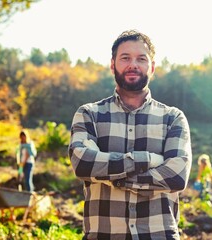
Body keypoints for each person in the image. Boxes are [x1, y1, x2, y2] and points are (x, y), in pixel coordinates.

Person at [68, 30, 192, 239]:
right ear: (112, 64)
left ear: (151, 67)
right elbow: (83, 164)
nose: (133, 64)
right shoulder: (90, 114)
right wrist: (149, 160)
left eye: (141, 59)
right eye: (125, 58)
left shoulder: (172, 117)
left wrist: (115, 178)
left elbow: (177, 176)